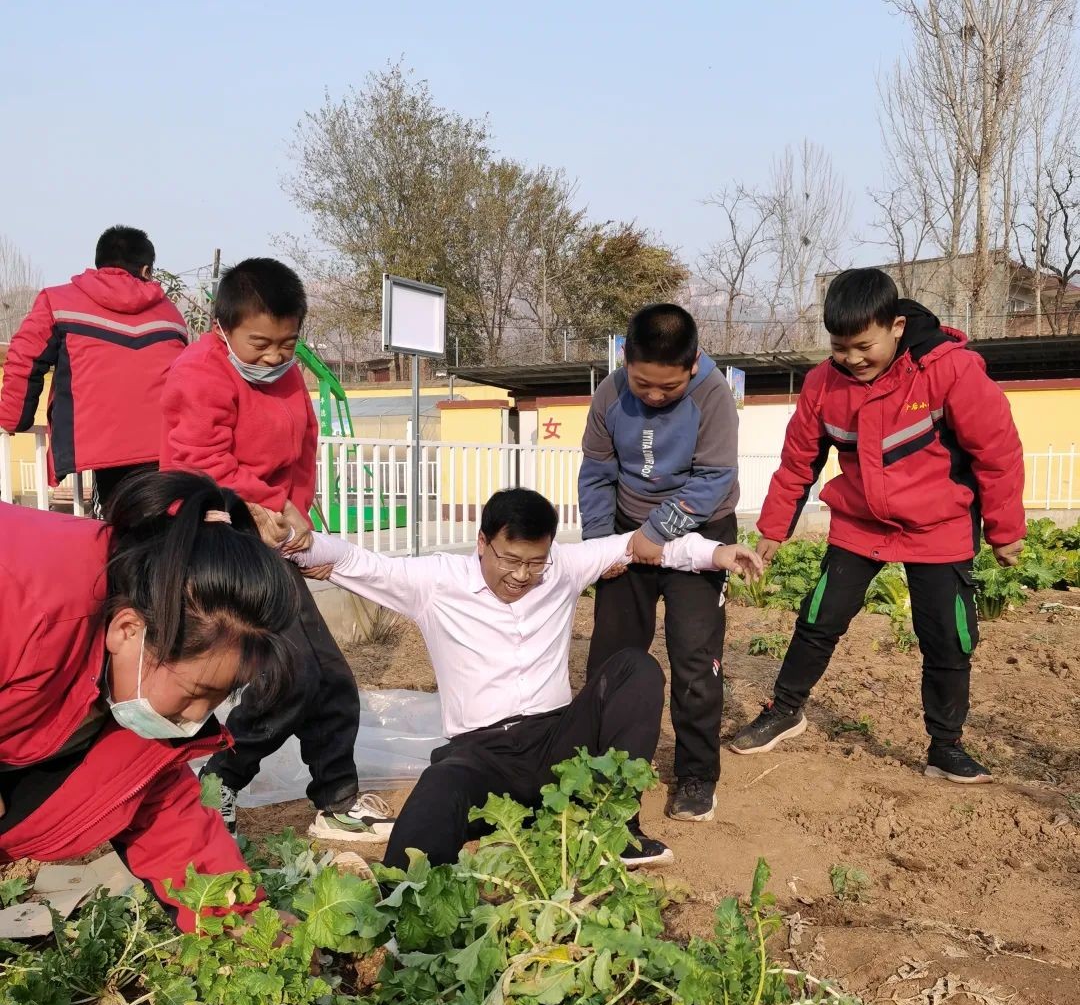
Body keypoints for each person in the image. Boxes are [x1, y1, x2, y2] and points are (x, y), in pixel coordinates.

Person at [277, 487, 763, 870]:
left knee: (636, 668)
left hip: (559, 745)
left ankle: (614, 828)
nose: (522, 575)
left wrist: (716, 553)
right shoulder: (437, 581)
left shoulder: (562, 568)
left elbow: (638, 545)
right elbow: (356, 561)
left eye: (535, 561)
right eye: (510, 560)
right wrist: (295, 540)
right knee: (439, 788)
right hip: (482, 754)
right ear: (483, 543)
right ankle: (401, 900)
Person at [728, 267, 1026, 783]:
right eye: (839, 347)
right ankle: (785, 710)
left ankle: (946, 746)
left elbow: (996, 451)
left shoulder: (949, 371)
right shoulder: (823, 384)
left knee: (948, 639)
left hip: (939, 527)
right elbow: (798, 462)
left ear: (896, 326)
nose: (852, 358)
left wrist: (1005, 528)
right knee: (819, 618)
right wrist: (774, 529)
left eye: (863, 346)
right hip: (860, 524)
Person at [0, 470, 297, 931]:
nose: (197, 717)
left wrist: (238, 922)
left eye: (217, 699)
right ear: (128, 629)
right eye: (196, 694)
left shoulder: (136, 639)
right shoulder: (26, 597)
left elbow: (155, 803)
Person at [160, 257, 365, 832]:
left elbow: (302, 446)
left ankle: (338, 799)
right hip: (217, 541)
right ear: (222, 326)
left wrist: (294, 506)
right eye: (261, 343)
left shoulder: (286, 374)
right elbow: (199, 461)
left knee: (329, 674)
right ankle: (221, 778)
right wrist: (269, 503)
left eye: (288, 343)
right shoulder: (197, 374)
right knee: (290, 672)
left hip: (269, 536)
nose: (275, 356)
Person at [578, 303, 740, 824]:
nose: (652, 395)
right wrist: (602, 544)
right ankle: (604, 767)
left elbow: (714, 478)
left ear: (693, 364)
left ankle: (696, 774)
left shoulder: (713, 396)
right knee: (613, 657)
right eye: (642, 383)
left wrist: (657, 531)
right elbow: (597, 473)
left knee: (695, 659)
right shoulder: (609, 394)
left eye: (667, 388)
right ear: (625, 358)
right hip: (626, 535)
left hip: (701, 531)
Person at [0, 226, 188, 513]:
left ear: (100, 263)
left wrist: (13, 420)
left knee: (111, 529)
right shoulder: (170, 314)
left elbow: (25, 359)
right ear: (146, 270)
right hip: (166, 449)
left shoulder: (57, 301)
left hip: (98, 448)